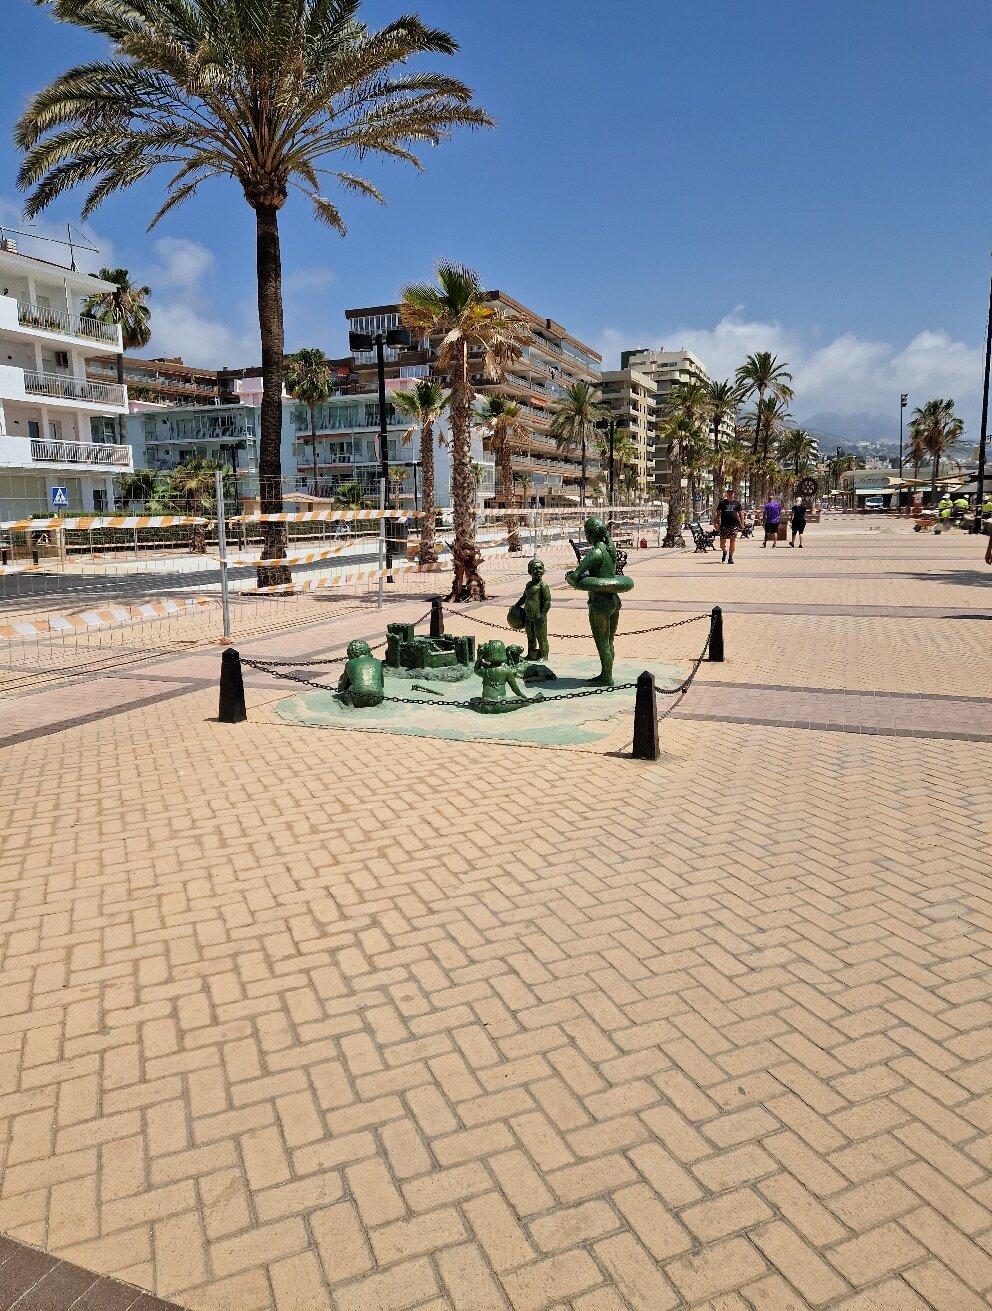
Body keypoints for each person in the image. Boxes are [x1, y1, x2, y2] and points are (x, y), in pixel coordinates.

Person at [713, 486, 745, 564]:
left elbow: (741, 514)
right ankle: (724, 551)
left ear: (734, 494)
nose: (730, 494)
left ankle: (730, 558)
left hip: (734, 525)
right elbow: (717, 514)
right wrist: (715, 523)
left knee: (732, 541)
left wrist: (742, 523)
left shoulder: (737, 503)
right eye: (729, 493)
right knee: (722, 544)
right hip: (724, 525)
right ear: (726, 494)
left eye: (732, 493)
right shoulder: (722, 503)